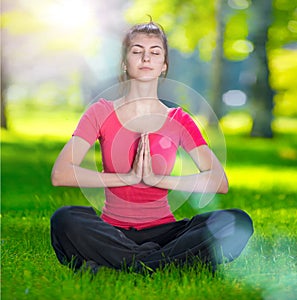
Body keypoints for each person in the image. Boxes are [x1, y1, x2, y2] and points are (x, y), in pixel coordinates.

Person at [50, 20, 253, 274]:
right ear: (125, 62)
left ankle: (121, 264)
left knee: (236, 221)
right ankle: (164, 264)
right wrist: (127, 178)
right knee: (65, 219)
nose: (146, 57)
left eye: (155, 52)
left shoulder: (179, 119)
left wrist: (157, 179)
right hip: (113, 231)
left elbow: (218, 182)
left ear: (164, 65)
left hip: (165, 232)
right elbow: (61, 174)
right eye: (137, 51)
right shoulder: (101, 112)